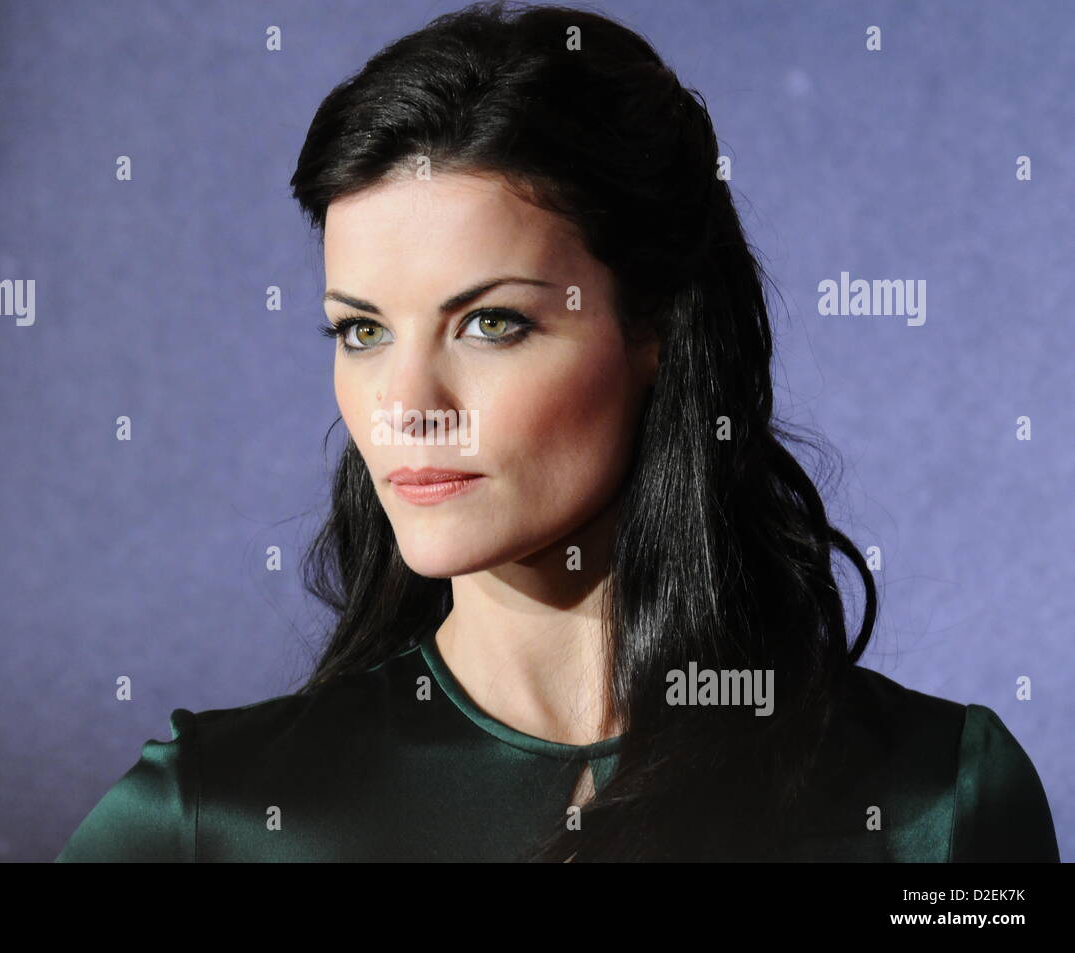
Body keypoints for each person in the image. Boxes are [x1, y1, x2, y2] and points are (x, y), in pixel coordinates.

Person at [56, 1, 1059, 862]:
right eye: (361, 330)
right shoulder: (203, 821)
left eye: (491, 322)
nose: (407, 401)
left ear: (658, 328)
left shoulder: (935, 805)